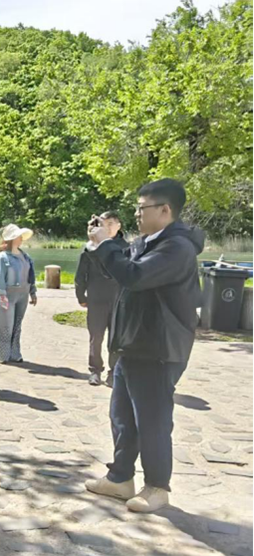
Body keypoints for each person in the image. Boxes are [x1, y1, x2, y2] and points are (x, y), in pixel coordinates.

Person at [84, 178, 204, 513]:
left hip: (158, 348)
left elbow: (135, 276)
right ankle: (120, 478)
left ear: (165, 210)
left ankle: (157, 486)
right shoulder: (147, 243)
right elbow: (121, 270)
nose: (137, 214)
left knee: (152, 419)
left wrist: (106, 245)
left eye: (142, 208)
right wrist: (101, 244)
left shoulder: (176, 248)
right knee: (122, 415)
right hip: (134, 344)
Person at [74, 211, 129, 386]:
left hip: (118, 300)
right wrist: (81, 295)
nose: (108, 227)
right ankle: (95, 370)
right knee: (95, 337)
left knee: (116, 338)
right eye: (104, 224)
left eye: (111, 223)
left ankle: (114, 372)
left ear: (119, 225)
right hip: (96, 297)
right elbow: (81, 274)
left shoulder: (126, 248)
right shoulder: (90, 247)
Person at [0, 224, 37, 364]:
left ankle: (14, 353)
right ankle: (1, 355)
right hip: (8, 295)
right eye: (18, 236)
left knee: (17, 325)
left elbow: (31, 275)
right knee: (5, 325)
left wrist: (33, 292)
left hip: (23, 295)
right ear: (11, 239)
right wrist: (2, 295)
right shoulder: (2, 257)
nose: (21, 239)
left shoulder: (26, 257)